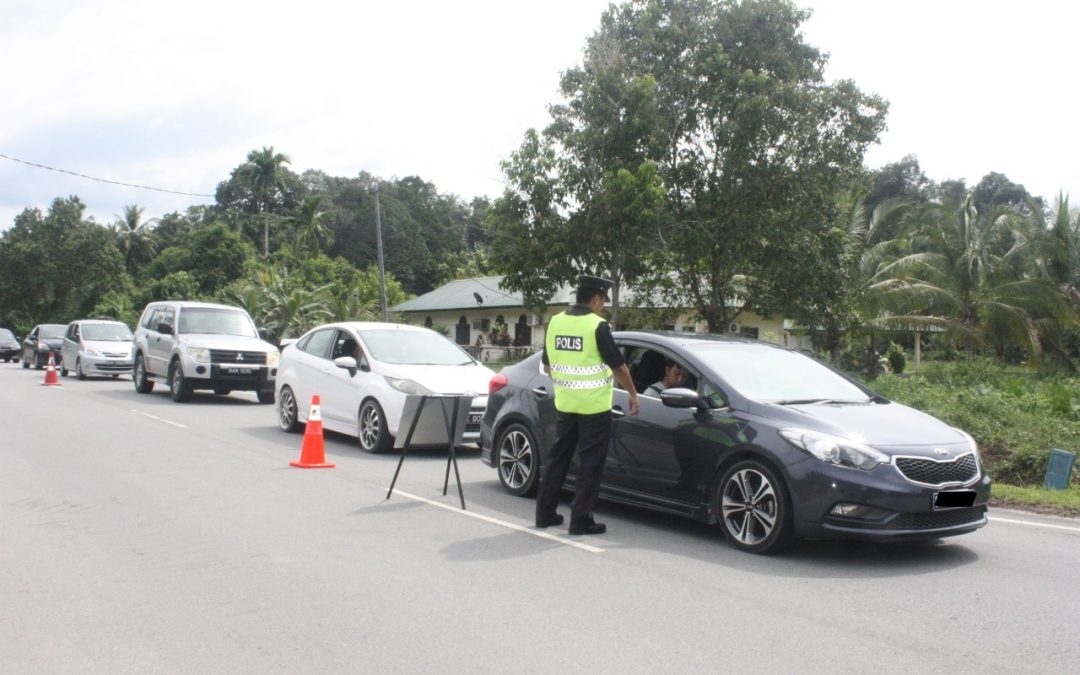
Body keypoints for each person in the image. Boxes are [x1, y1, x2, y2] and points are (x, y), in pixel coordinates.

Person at [535, 274, 640, 535]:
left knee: (558, 458)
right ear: (595, 298)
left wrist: (567, 384)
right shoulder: (597, 326)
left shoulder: (555, 323)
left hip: (566, 403)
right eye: (603, 301)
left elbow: (548, 366)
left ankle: (544, 514)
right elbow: (619, 366)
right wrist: (633, 394)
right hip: (593, 407)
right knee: (590, 463)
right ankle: (580, 519)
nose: (603, 307)